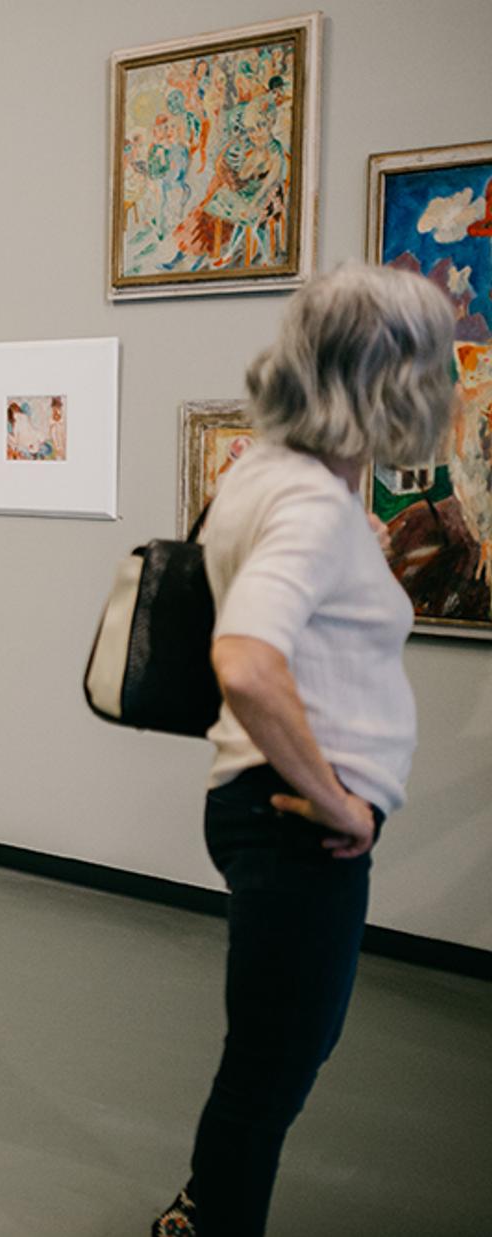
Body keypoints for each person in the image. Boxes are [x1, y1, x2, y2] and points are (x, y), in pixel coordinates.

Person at [152, 265, 458, 1237]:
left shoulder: (268, 474)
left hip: (255, 808)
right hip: (296, 824)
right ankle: (203, 1222)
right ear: (390, 378)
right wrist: (335, 802)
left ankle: (199, 1213)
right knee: (273, 1065)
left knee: (273, 1051)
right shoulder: (309, 506)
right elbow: (243, 660)